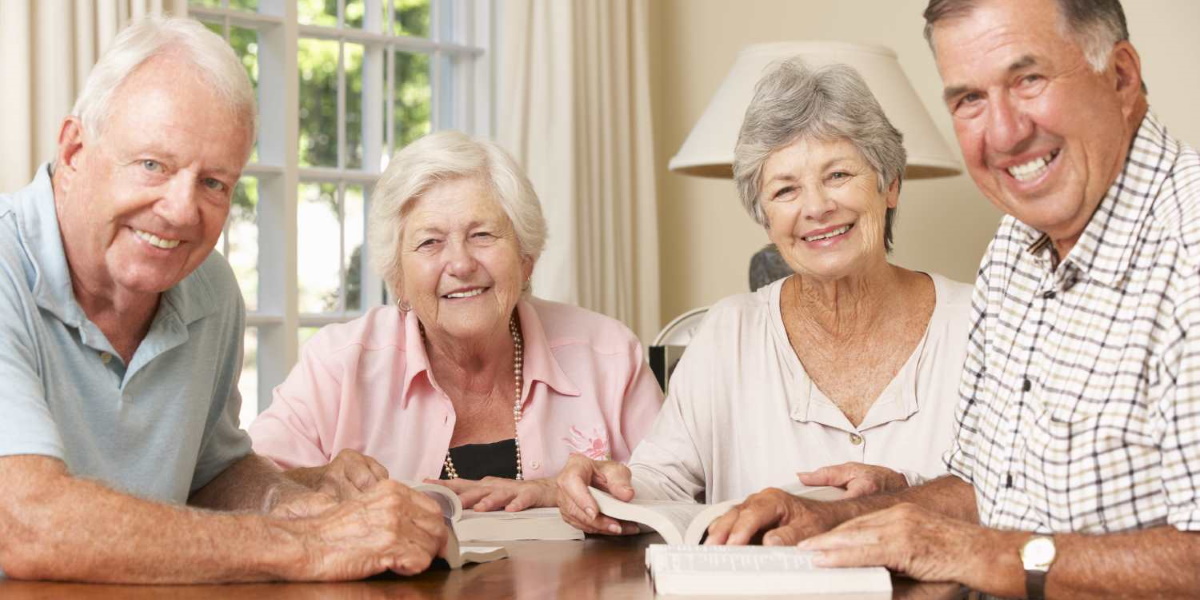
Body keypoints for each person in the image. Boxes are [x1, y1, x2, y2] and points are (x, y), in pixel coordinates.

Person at [708, 0, 1200, 597]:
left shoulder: (1188, 251)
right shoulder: (1016, 248)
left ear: (1121, 76)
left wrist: (971, 553)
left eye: (1029, 80)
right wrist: (838, 517)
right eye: (969, 99)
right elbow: (984, 487)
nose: (1004, 133)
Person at [0, 17, 450, 583]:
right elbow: (24, 522)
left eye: (214, 182)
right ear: (73, 152)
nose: (182, 210)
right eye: (152, 166)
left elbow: (211, 475)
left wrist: (301, 499)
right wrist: (304, 542)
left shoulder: (209, 288)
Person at [556, 58, 974, 535]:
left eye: (838, 175)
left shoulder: (977, 323)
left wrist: (902, 492)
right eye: (786, 190)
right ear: (765, 219)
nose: (816, 207)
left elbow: (1025, 494)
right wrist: (608, 488)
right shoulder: (730, 331)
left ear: (890, 185)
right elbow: (663, 481)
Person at [248, 130, 663, 511]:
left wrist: (560, 493)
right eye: (430, 242)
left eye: (482, 235)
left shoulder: (609, 356)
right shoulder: (338, 365)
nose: (461, 264)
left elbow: (676, 493)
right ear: (399, 278)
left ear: (526, 258)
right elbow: (248, 488)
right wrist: (319, 480)